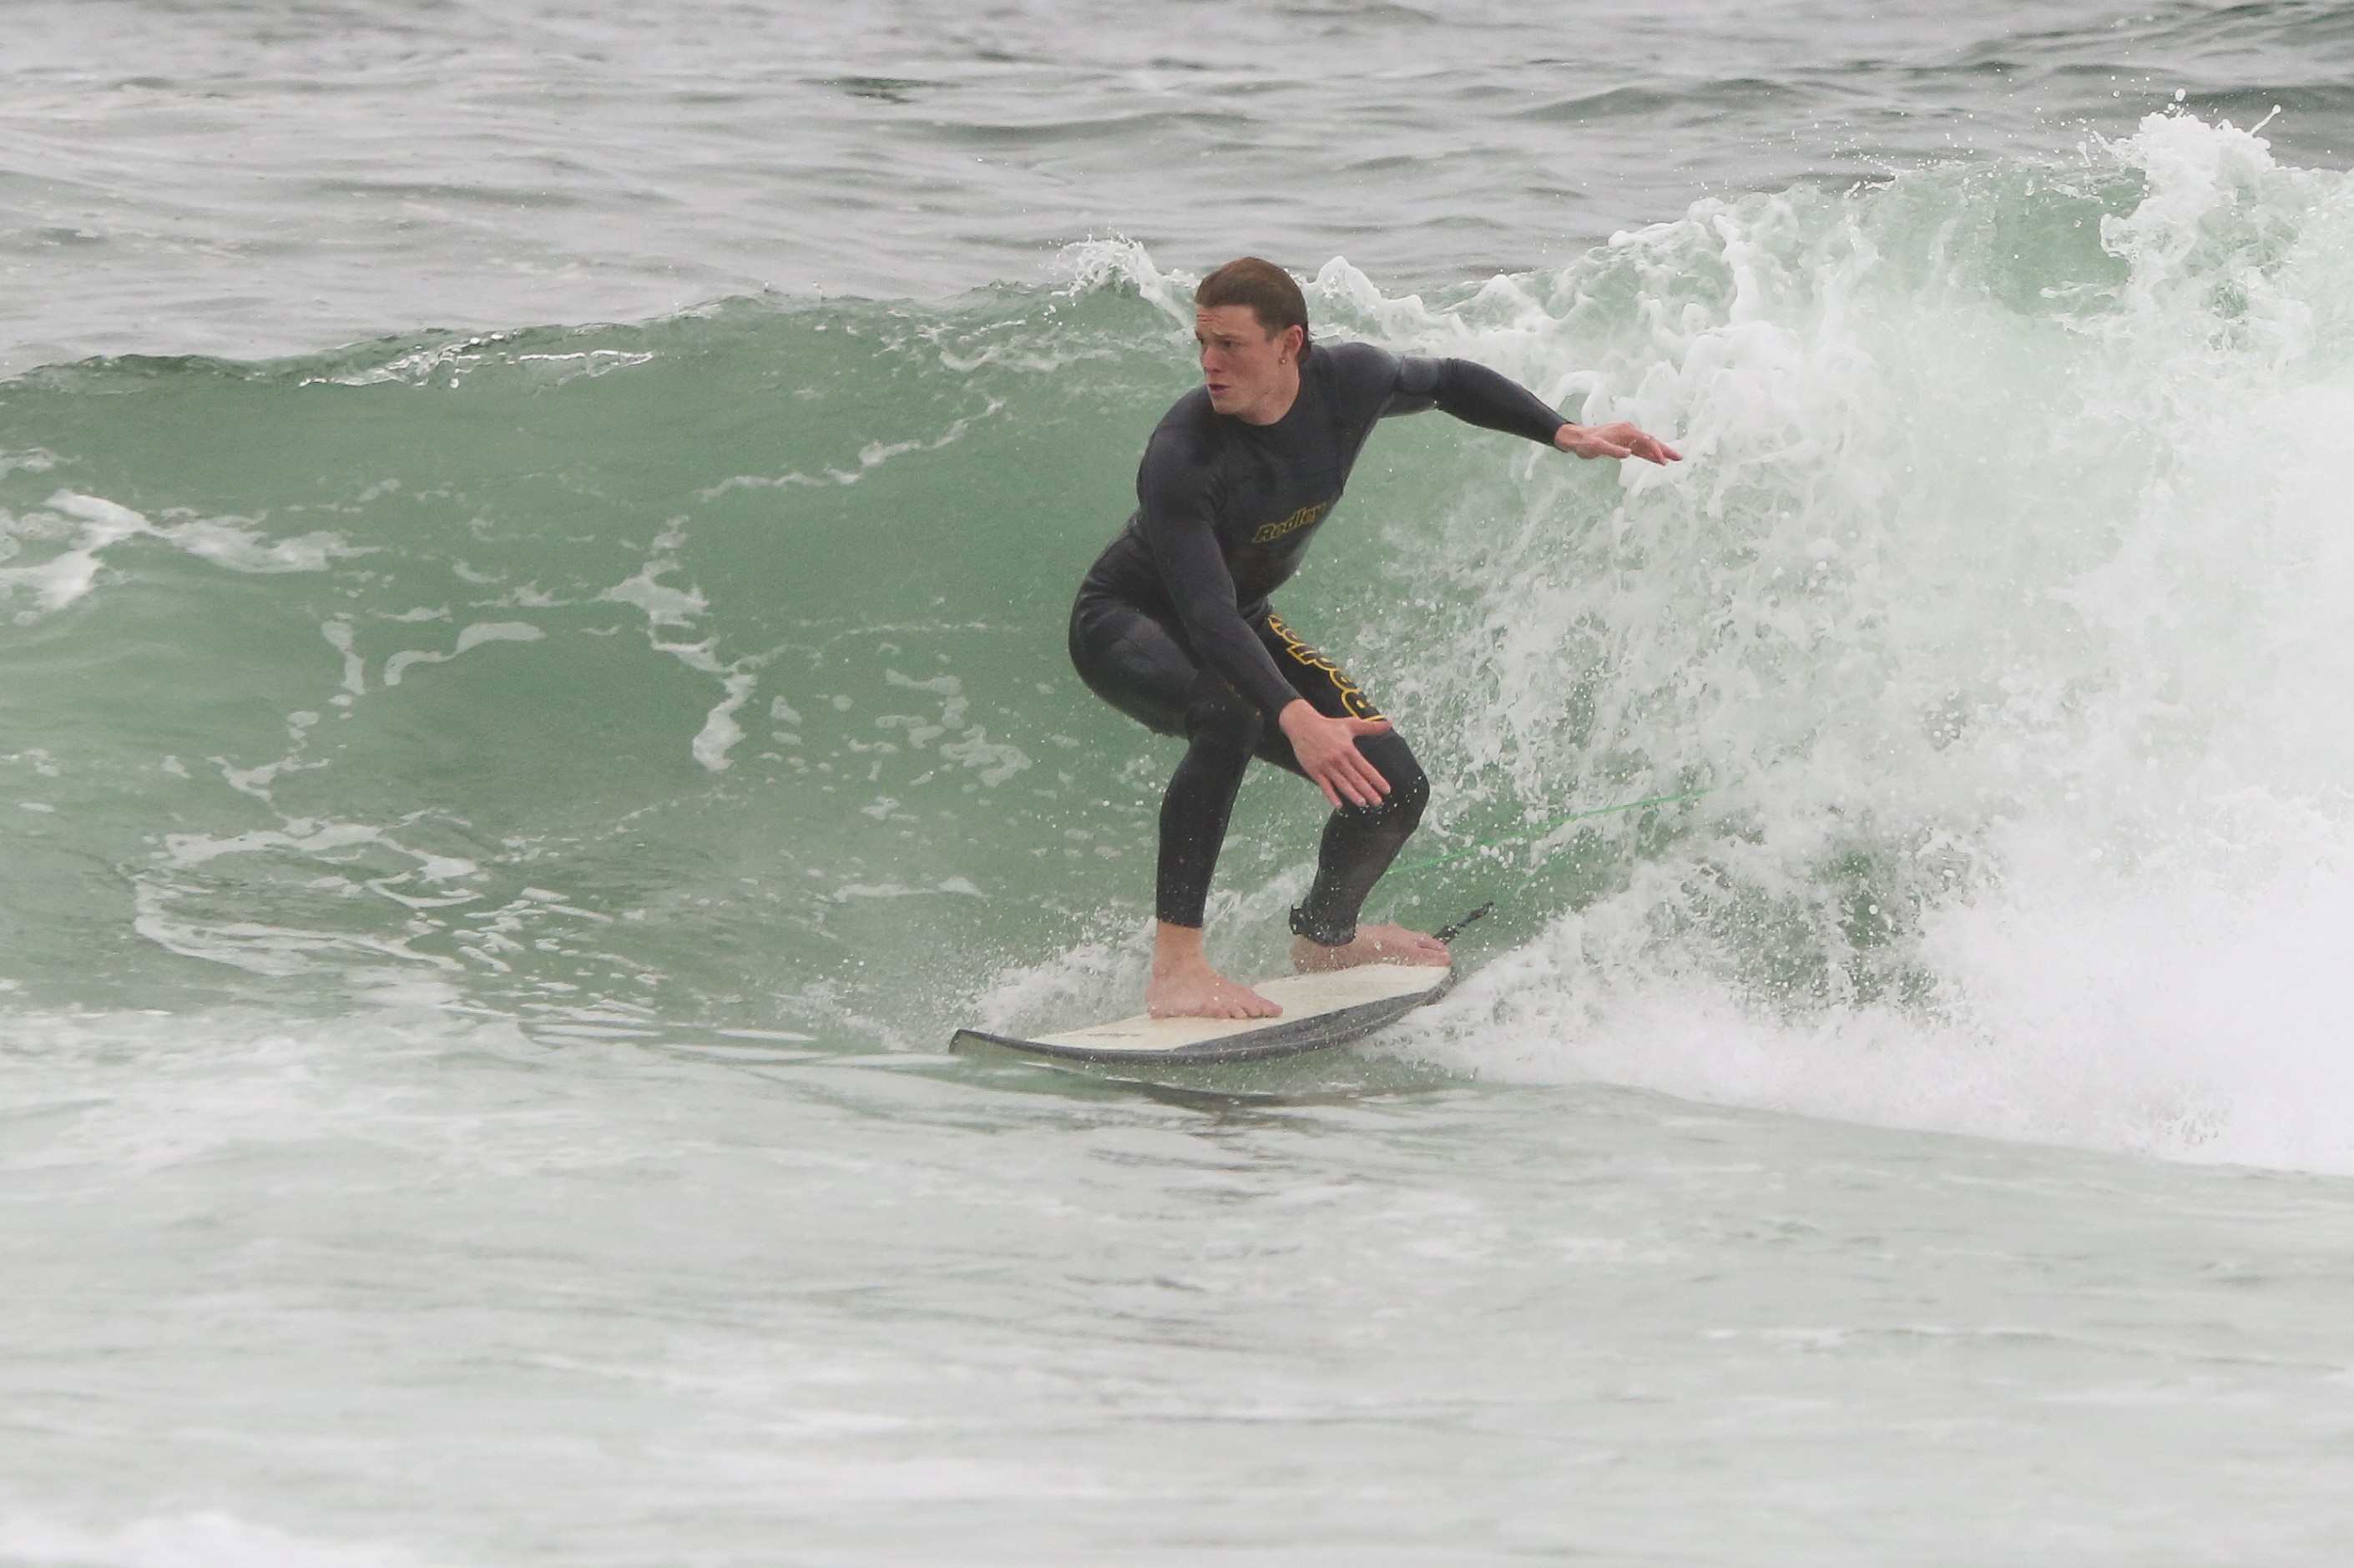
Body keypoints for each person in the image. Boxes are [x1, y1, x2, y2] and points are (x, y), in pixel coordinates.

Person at [1068, 257, 1681, 1019]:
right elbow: (1205, 617)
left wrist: (1565, 431)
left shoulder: (1351, 381)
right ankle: (1178, 968)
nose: (1209, 364)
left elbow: (1451, 379)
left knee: (1393, 788)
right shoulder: (1184, 454)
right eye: (1202, 343)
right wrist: (1296, 717)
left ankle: (1325, 937)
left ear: (1290, 343)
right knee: (1231, 714)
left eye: (1231, 345)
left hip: (1241, 616)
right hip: (1130, 619)